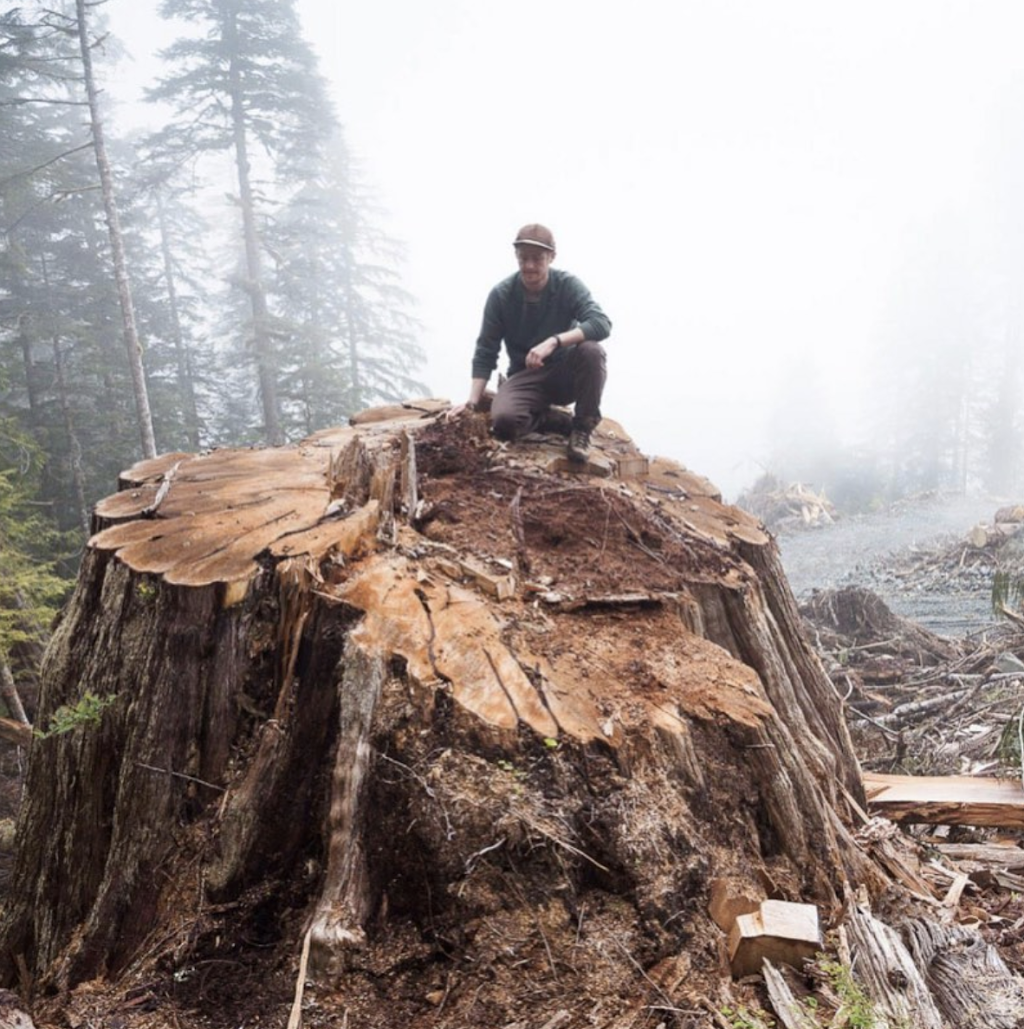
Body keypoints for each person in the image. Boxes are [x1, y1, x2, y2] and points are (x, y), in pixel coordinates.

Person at [450, 223, 611, 462]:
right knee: (504, 423)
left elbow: (601, 323)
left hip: (564, 372)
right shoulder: (501, 296)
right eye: (523, 258)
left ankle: (582, 429)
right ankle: (547, 419)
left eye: (537, 258)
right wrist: (473, 402)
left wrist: (555, 341)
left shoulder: (568, 286)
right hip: (525, 376)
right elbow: (486, 350)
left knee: (592, 351)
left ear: (551, 257)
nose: (530, 266)